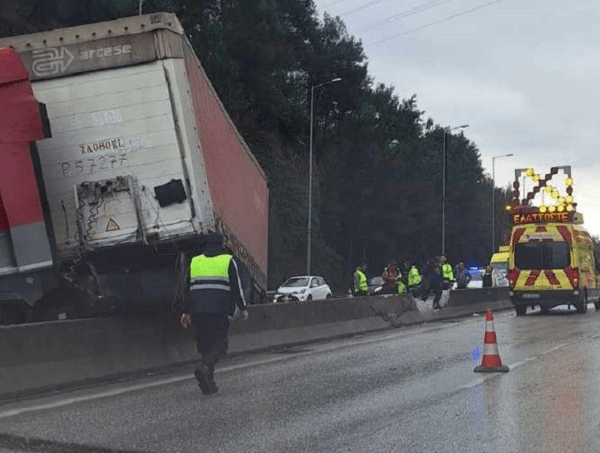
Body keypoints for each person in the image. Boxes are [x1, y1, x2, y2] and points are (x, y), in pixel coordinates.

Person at [180, 233, 249, 395]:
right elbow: (236, 286)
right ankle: (205, 369)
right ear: (223, 244)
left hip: (198, 310)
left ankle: (208, 383)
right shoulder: (227, 260)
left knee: (205, 345)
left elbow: (187, 288)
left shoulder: (195, 261)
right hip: (219, 310)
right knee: (219, 345)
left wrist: (186, 311)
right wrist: (243, 307)